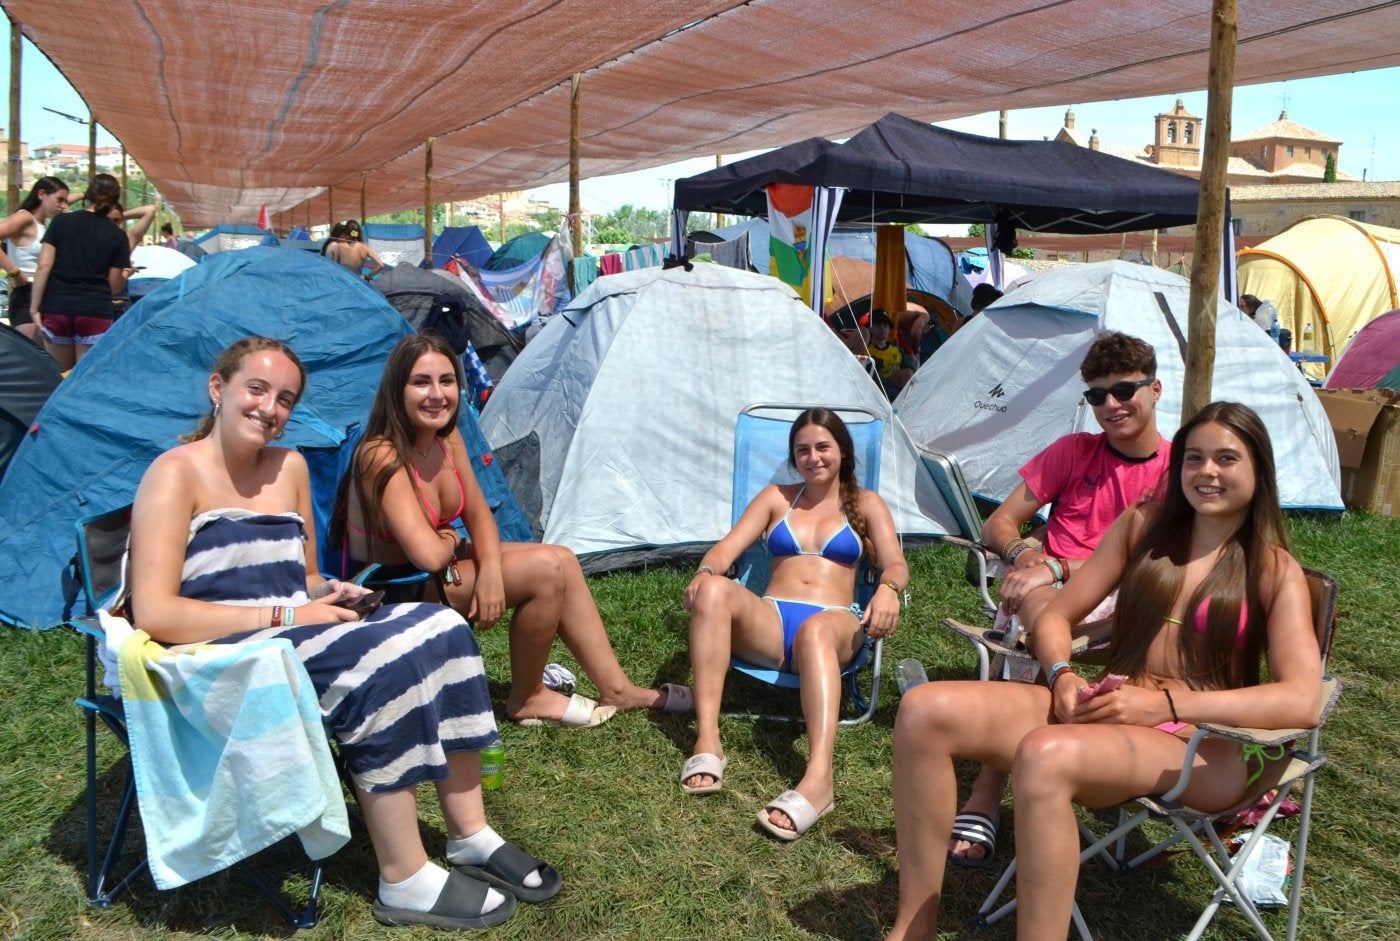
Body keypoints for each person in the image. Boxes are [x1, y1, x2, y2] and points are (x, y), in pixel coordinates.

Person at [126, 336, 561, 930]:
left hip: (292, 628)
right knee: (374, 665)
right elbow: (155, 613)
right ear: (218, 389)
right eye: (256, 389)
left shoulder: (292, 466)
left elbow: (300, 577)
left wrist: (326, 592)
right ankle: (403, 878)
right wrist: (286, 616)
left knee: (443, 628)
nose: (269, 409)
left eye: (284, 398)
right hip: (223, 651)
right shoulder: (174, 475)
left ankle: (469, 832)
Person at [885, 401, 1323, 941]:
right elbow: (1056, 617)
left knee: (1046, 756)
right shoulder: (1144, 528)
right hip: (1111, 709)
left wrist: (1163, 706)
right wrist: (1063, 673)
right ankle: (914, 924)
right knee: (925, 710)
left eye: (1227, 459)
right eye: (1194, 458)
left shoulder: (1272, 569)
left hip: (1205, 745)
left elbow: (1303, 698)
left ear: (1260, 470)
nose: (1207, 472)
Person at [337, 334, 683, 727]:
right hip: (390, 590)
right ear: (397, 390)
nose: (437, 394)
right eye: (421, 382)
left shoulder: (444, 438)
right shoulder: (380, 454)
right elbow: (429, 555)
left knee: (563, 559)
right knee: (544, 569)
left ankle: (617, 688)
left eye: (446, 381)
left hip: (431, 572)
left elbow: (480, 515)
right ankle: (528, 697)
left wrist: (490, 575)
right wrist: (457, 543)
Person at [947, 331, 1170, 868]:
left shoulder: (1179, 468)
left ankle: (997, 786)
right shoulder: (1074, 451)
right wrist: (1027, 551)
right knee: (1033, 595)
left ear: (1156, 389)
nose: (1110, 406)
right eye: (1096, 396)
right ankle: (1007, 782)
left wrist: (1060, 564)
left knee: (1038, 610)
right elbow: (998, 521)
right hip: (1048, 593)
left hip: (1128, 599)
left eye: (1123, 391)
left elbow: (1162, 560)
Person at [681, 407, 907, 840]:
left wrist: (888, 589)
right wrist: (706, 573)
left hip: (834, 623)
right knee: (713, 590)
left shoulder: (866, 504)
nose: (813, 457)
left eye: (823, 446)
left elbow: (895, 563)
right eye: (802, 450)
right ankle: (707, 740)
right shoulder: (776, 498)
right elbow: (724, 551)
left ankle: (819, 779)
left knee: (816, 629)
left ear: (842, 450)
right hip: (771, 619)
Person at [29, 173, 131, 369]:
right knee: (82, 381)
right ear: (116, 199)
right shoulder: (118, 236)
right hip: (94, 311)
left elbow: (43, 266)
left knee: (60, 377)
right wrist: (125, 275)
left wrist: (35, 309)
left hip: (57, 307)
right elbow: (114, 286)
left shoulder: (61, 222)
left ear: (88, 194)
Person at [867, 308, 915, 396]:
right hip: (875, 390)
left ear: (889, 329)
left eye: (885, 325)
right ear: (870, 329)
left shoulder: (897, 350)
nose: (882, 328)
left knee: (909, 373)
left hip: (896, 389)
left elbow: (911, 370)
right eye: (878, 325)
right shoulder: (865, 350)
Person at [322, 218, 386, 279]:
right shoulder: (365, 248)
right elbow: (381, 266)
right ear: (359, 233)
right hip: (359, 281)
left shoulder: (339, 246)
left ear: (345, 232)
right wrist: (367, 277)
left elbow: (334, 267)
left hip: (343, 281)